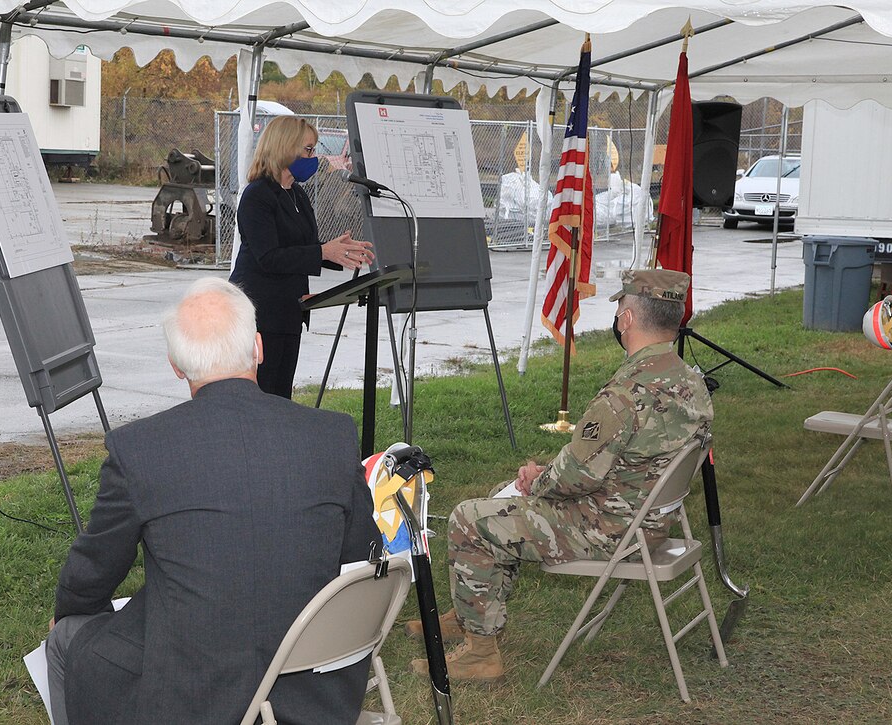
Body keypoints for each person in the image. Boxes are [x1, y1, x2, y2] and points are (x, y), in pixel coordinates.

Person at [45, 277, 381, 724]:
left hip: (194, 697)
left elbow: (95, 569)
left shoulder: (140, 449)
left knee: (68, 637)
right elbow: (363, 555)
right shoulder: (331, 435)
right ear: (259, 348)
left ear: (176, 366)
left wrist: (69, 613)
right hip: (312, 689)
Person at [406, 269, 712, 683]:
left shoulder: (626, 392)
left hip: (610, 529)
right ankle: (469, 613)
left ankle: (480, 653)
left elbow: (575, 477)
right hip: (650, 521)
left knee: (469, 518)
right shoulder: (691, 380)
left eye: (620, 307)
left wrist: (538, 479)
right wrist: (549, 476)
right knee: (502, 504)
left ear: (627, 319)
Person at [230, 115, 374, 399]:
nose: (314, 157)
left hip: (289, 313)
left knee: (281, 397)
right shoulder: (257, 195)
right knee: (260, 397)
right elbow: (269, 257)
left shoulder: (297, 194)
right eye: (308, 149)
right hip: (259, 313)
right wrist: (323, 251)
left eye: (314, 149)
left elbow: (306, 247)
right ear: (285, 147)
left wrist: (344, 253)